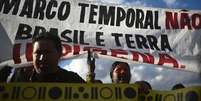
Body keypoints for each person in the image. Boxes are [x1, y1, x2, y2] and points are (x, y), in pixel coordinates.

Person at [11, 32, 85, 83]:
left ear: (59, 54)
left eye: (47, 52)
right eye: (38, 53)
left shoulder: (72, 80)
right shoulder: (17, 79)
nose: (41, 58)